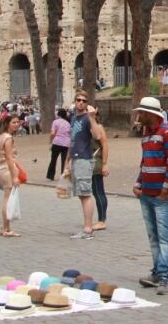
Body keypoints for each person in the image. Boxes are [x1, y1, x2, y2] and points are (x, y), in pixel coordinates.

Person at [132, 96, 168, 296]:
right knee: (153, 236)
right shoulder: (146, 134)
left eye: (141, 113)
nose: (138, 116)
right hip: (147, 192)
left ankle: (165, 276)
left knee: (164, 237)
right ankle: (157, 271)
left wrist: (165, 189)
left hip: (162, 195)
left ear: (149, 114)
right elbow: (146, 162)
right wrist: (138, 182)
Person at [68, 90, 101, 240]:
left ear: (87, 104)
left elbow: (97, 136)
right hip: (75, 158)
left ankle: (88, 229)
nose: (81, 102)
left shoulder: (88, 119)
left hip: (84, 159)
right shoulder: (74, 118)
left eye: (84, 100)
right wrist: (67, 162)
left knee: (85, 194)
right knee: (82, 195)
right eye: (78, 100)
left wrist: (92, 118)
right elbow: (72, 141)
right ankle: (86, 227)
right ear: (75, 101)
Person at [0, 114, 23, 237]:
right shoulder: (8, 138)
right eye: (13, 122)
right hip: (7, 169)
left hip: (1, 168)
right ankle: (6, 228)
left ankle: (5, 226)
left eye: (17, 122)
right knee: (7, 198)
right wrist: (15, 175)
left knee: (7, 197)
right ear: (7, 124)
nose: (16, 124)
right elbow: (9, 158)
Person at [89, 106, 110, 231]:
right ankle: (98, 219)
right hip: (88, 161)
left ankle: (102, 220)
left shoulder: (98, 128)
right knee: (94, 191)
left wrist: (104, 163)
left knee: (98, 191)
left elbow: (105, 145)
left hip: (95, 161)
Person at [47, 108, 71, 181]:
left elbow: (52, 133)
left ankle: (51, 175)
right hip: (66, 143)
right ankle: (63, 175)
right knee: (64, 160)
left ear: (58, 114)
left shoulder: (55, 122)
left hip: (57, 142)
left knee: (53, 159)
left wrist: (50, 141)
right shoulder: (68, 123)